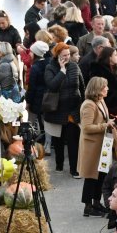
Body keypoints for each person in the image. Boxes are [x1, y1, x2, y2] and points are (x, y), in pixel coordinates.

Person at [79, 76, 117, 217]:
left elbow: (103, 119)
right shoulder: (89, 104)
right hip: (92, 147)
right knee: (91, 177)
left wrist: (110, 121)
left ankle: (96, 202)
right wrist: (106, 125)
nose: (107, 88)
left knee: (101, 175)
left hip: (102, 145)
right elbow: (86, 127)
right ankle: (88, 206)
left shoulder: (100, 101)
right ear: (97, 88)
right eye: (105, 86)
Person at [43, 42, 84, 176]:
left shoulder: (74, 66)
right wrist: (61, 71)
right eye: (64, 55)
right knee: (58, 141)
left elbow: (82, 85)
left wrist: (83, 103)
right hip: (57, 110)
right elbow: (52, 86)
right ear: (57, 55)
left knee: (73, 141)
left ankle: (74, 169)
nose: (67, 57)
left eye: (68, 55)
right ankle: (59, 165)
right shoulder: (50, 68)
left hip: (73, 110)